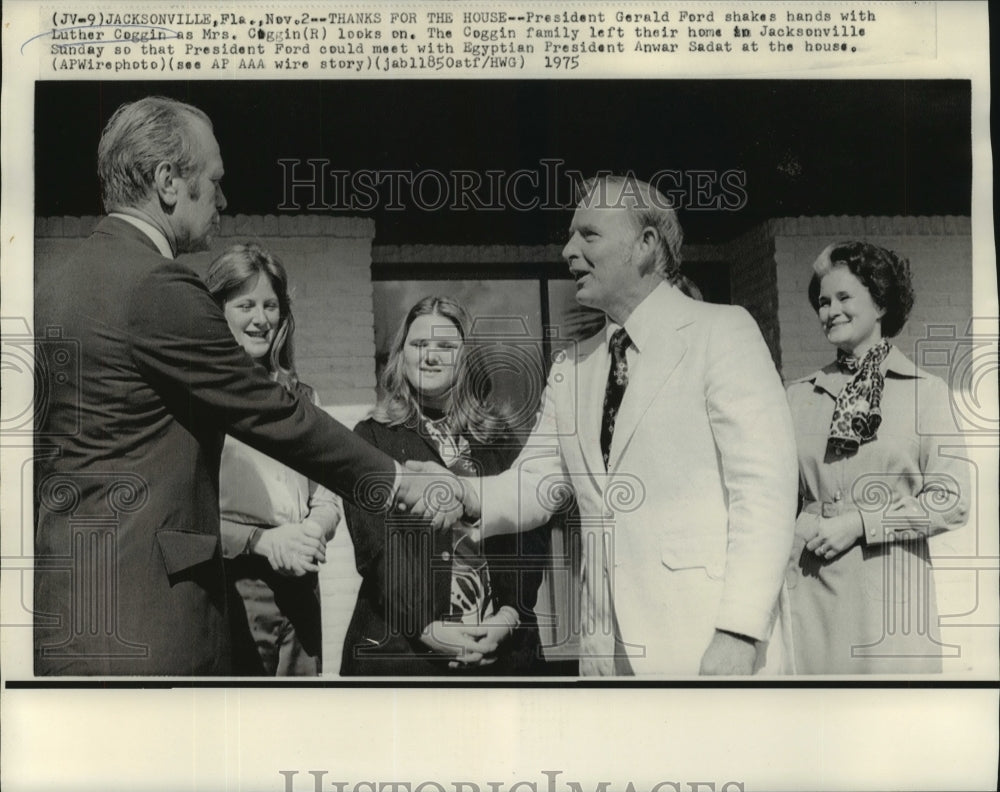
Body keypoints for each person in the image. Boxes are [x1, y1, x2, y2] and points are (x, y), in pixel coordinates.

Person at [32, 96, 455, 675]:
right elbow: (272, 414)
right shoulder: (159, 288)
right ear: (168, 182)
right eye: (215, 180)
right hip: (149, 621)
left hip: (75, 612)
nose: (224, 200)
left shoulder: (58, 287)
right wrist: (397, 479)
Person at [425, 175, 800, 675]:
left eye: (588, 235)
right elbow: (538, 483)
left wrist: (739, 632)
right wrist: (463, 494)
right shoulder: (572, 367)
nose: (567, 250)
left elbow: (766, 494)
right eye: (570, 235)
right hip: (606, 656)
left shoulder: (722, 334)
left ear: (645, 245)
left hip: (707, 646)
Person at [784, 241, 969, 673]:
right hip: (811, 586)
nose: (830, 311)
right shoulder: (796, 397)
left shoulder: (926, 392)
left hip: (891, 592)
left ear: (881, 303)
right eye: (823, 302)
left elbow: (951, 499)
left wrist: (863, 523)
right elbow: (774, 496)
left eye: (845, 297)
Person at [340, 297, 548, 675]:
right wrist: (426, 627)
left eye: (445, 347)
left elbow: (529, 535)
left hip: (498, 646)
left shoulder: (498, 438)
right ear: (401, 355)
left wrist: (508, 616)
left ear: (465, 358)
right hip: (404, 648)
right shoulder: (371, 438)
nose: (430, 357)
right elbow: (375, 548)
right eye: (419, 345)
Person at [205, 242, 339, 676]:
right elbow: (189, 513)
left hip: (302, 582)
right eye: (245, 305)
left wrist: (313, 532)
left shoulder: (303, 399)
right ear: (218, 310)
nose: (260, 319)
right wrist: (264, 543)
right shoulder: (201, 402)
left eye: (270, 305)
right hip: (236, 585)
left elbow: (327, 497)